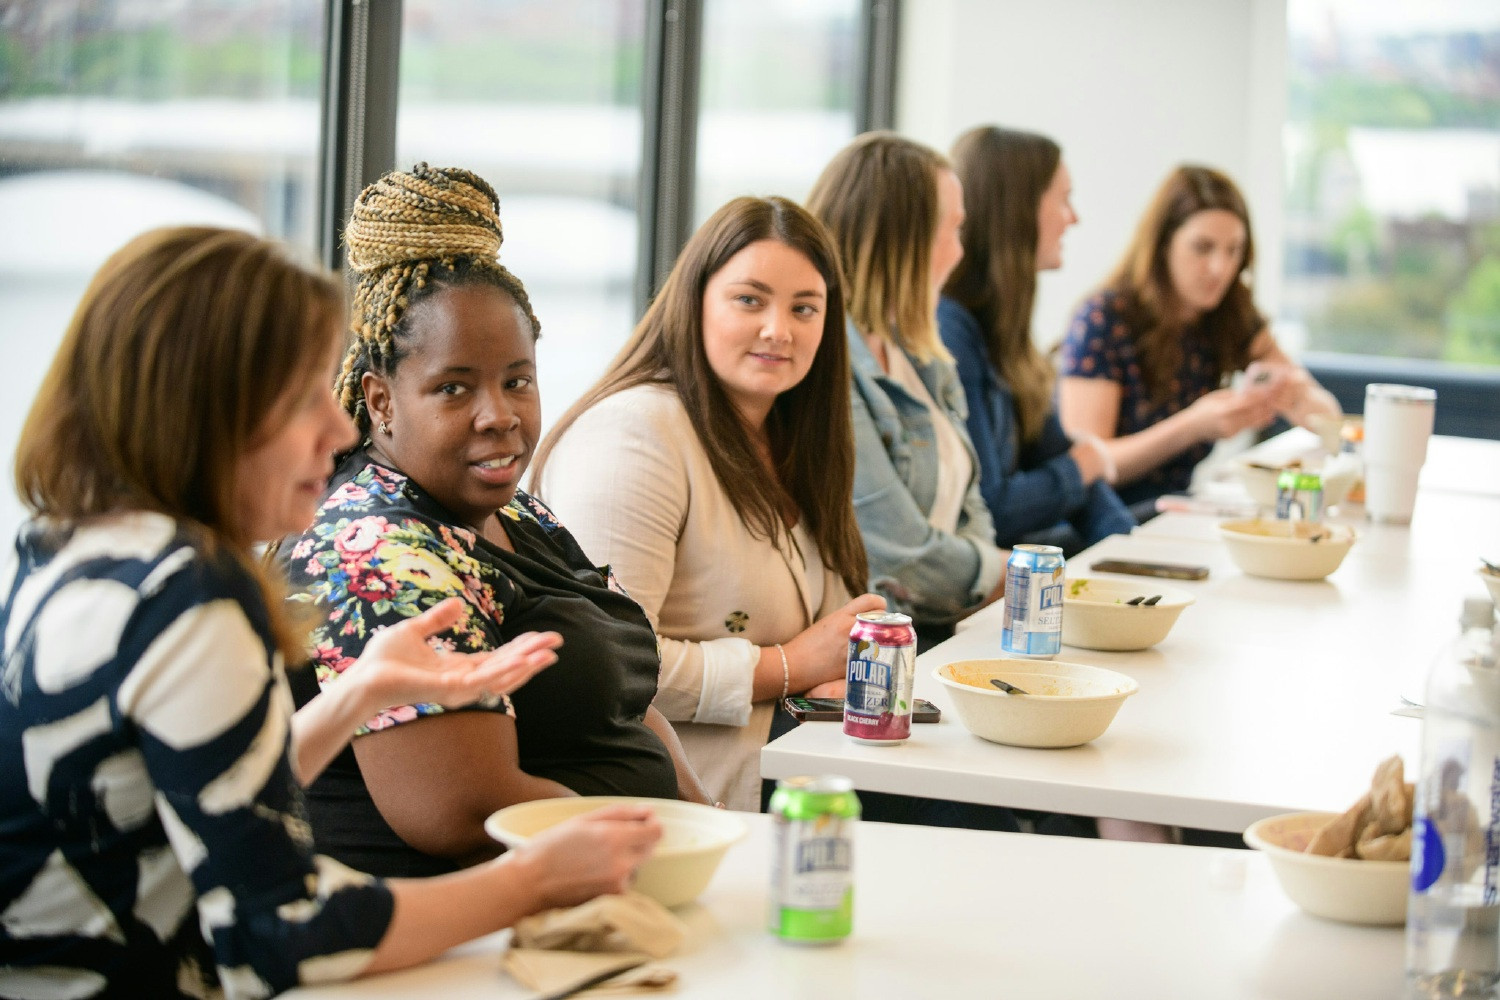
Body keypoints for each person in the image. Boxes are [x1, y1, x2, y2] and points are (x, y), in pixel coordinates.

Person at [0, 225, 662, 998]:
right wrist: (533, 880)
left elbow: (200, 795)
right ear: (206, 414)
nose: (339, 425)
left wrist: (358, 693)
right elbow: (278, 935)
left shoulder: (79, 546)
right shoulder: (192, 599)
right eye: (300, 397)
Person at [281, 164, 709, 880]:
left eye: (517, 380)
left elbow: (623, 709)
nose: (500, 416)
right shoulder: (372, 547)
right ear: (381, 401)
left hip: (618, 879)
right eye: (454, 388)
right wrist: (669, 849)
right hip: (464, 938)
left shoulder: (514, 509)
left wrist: (711, 823)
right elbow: (462, 812)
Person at [532, 196, 886, 811]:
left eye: (805, 308)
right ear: (695, 299)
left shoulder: (794, 436)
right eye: (750, 300)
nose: (780, 329)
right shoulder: (632, 436)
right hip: (688, 784)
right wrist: (787, 667)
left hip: (805, 751)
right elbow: (609, 667)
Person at [806, 131, 1006, 650]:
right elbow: (898, 555)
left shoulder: (921, 354)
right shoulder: (829, 363)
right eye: (954, 229)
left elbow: (972, 505)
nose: (960, 251)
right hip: (871, 650)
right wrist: (1007, 573)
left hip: (941, 625)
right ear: (907, 240)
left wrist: (990, 570)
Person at [1056, 164, 1339, 518]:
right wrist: (1192, 426)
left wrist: (1295, 395)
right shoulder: (1103, 319)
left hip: (1173, 514)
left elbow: (1329, 418)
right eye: (1202, 248)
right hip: (1104, 523)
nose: (1220, 268)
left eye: (1234, 250)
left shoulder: (1230, 312)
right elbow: (1087, 468)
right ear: (1162, 246)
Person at [938, 126, 1135, 555]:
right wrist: (1080, 467)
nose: (1074, 217)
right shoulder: (950, 328)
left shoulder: (1006, 332)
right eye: (1063, 199)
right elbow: (992, 510)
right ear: (1020, 210)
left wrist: (1128, 551)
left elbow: (1057, 452)